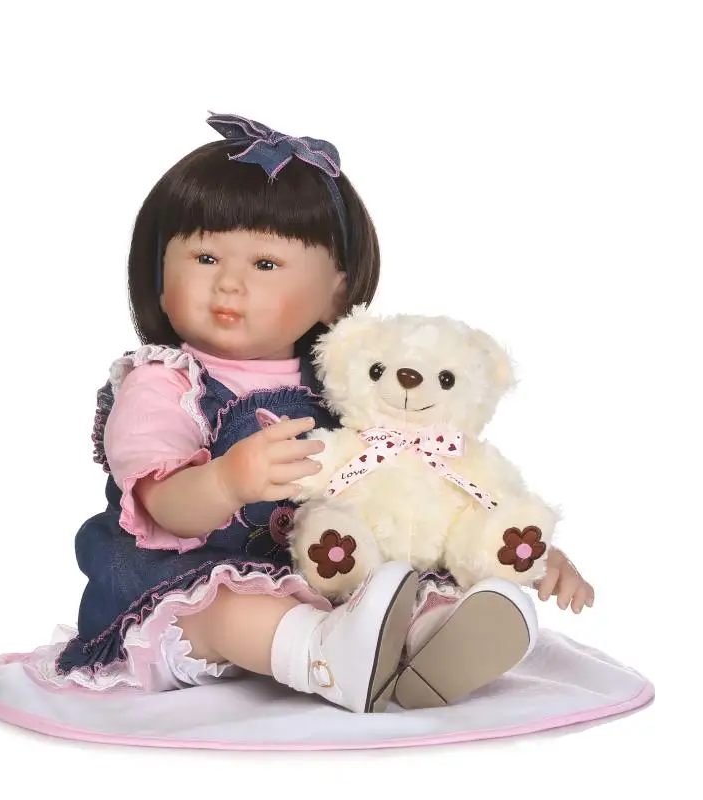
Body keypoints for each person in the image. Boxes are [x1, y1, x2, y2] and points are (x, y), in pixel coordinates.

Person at [35, 112, 594, 713]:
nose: (228, 284)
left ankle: (433, 643)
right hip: (182, 590)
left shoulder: (352, 387)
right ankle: (323, 655)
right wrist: (225, 481)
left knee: (405, 586)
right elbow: (160, 504)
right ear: (158, 275)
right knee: (231, 609)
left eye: (264, 264)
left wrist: (520, 547)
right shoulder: (163, 382)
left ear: (336, 292)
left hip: (322, 575)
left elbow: (427, 489)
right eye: (204, 257)